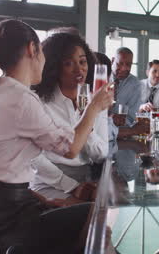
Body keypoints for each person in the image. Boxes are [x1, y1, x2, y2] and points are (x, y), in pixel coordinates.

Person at [0, 19, 114, 253]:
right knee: (99, 213)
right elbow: (71, 147)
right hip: (10, 222)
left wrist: (42, 200)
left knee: (85, 216)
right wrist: (94, 107)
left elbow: (0, 171)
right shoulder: (21, 99)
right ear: (32, 49)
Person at [30, 32, 109, 203]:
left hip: (86, 180)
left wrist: (87, 121)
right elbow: (34, 158)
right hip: (49, 182)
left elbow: (101, 154)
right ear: (54, 67)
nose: (79, 69)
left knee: (109, 213)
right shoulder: (40, 102)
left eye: (82, 61)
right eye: (68, 63)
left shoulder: (97, 102)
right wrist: (72, 186)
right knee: (85, 214)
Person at [111, 47, 142, 125]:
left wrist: (118, 122)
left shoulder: (135, 84)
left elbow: (131, 117)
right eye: (120, 63)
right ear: (112, 61)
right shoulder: (101, 79)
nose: (124, 68)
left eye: (128, 64)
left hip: (122, 131)